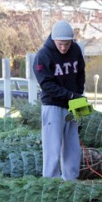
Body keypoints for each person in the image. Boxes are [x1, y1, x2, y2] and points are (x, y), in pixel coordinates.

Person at [33, 20, 85, 180]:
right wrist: (70, 96)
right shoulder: (43, 55)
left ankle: (71, 180)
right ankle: (51, 182)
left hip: (73, 105)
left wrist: (78, 95)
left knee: (73, 147)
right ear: (54, 40)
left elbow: (81, 73)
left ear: (72, 41)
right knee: (52, 148)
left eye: (67, 44)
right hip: (53, 106)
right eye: (60, 44)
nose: (64, 48)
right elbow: (46, 85)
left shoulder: (76, 50)